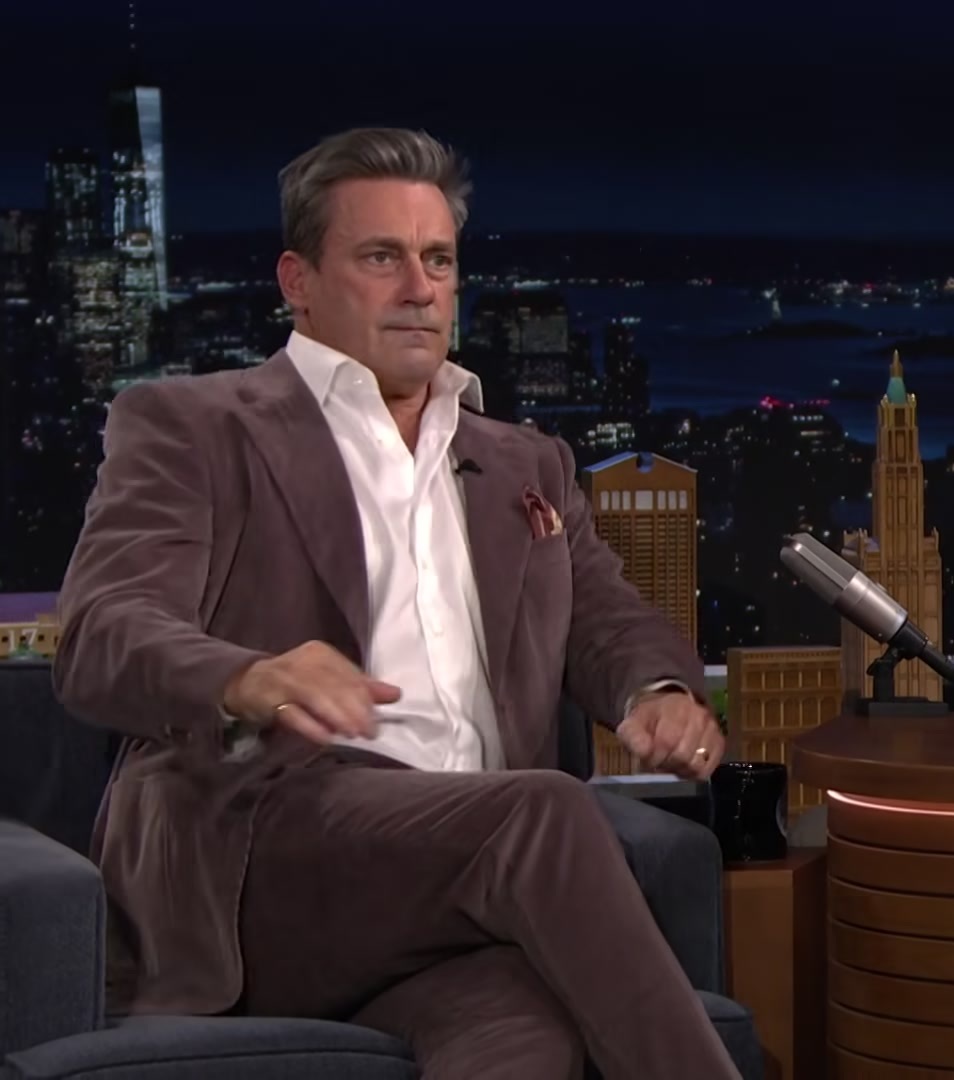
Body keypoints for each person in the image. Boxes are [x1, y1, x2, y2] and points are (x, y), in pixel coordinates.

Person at [54, 128, 740, 1079]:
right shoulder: (195, 427)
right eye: (382, 258)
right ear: (297, 281)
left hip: (459, 893)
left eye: (439, 260)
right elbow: (102, 634)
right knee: (543, 811)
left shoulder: (526, 462)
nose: (420, 288)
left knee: (522, 1035)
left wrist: (655, 691)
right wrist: (248, 677)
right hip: (271, 865)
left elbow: (606, 618)